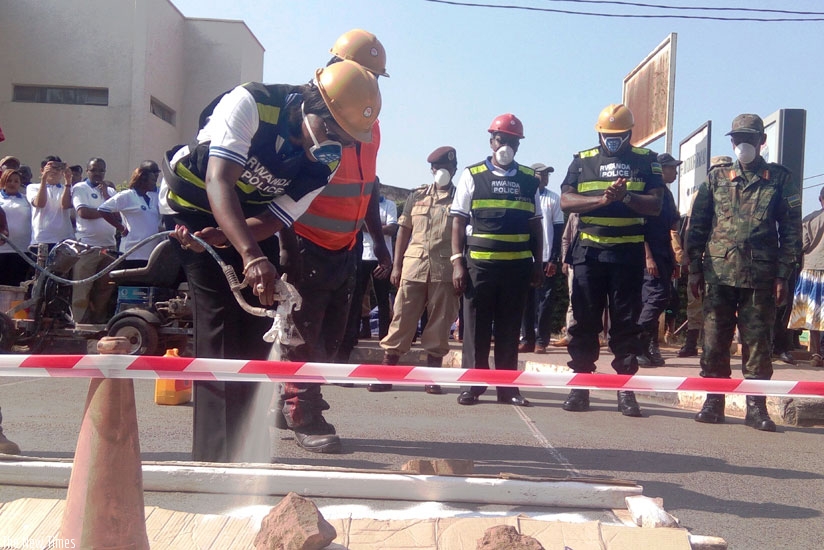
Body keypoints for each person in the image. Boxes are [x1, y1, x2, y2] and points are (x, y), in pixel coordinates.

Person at [160, 60, 381, 461]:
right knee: (222, 329)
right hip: (194, 207)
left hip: (244, 222)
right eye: (333, 131)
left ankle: (241, 450)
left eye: (347, 140)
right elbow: (219, 181)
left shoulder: (326, 159)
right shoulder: (252, 103)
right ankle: (214, 459)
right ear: (314, 104)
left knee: (252, 335)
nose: (337, 145)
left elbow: (276, 216)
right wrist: (248, 254)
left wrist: (244, 244)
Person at [273, 29, 391, 448]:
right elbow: (281, 184)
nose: (371, 83)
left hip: (346, 244)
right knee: (303, 331)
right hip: (308, 240)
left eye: (376, 77)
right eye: (366, 73)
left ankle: (287, 401)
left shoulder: (368, 124)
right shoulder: (307, 118)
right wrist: (287, 246)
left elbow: (369, 185)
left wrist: (377, 240)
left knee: (331, 335)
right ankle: (303, 412)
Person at [688, 113, 802, 432]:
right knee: (713, 339)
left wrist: (783, 274)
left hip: (760, 277)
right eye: (738, 139)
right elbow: (697, 225)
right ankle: (714, 400)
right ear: (732, 141)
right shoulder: (716, 178)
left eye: (750, 139)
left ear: (761, 141)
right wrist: (694, 270)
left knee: (757, 342)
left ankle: (755, 407)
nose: (743, 145)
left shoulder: (779, 179)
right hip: (718, 273)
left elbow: (792, 230)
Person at [559, 104, 663, 417]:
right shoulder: (583, 160)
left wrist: (627, 197)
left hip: (627, 256)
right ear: (599, 133)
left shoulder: (646, 161)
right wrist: (602, 200)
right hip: (590, 255)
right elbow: (566, 200)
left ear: (630, 134)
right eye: (607, 135)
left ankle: (626, 390)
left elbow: (656, 205)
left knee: (626, 325)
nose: (612, 140)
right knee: (584, 322)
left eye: (618, 135)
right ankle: (580, 387)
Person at [451, 113, 543, 407]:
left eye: (513, 142)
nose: (507, 146)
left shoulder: (529, 179)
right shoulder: (473, 174)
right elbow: (458, 221)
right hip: (479, 267)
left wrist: (538, 263)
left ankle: (508, 389)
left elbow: (535, 224)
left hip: (516, 268)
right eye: (502, 139)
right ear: (492, 141)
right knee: (475, 328)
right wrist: (457, 262)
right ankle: (473, 386)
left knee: (508, 327)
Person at [379, 146, 461, 394]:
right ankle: (386, 373)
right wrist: (396, 265)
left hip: (444, 269)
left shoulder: (461, 197)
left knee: (439, 323)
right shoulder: (416, 196)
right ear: (432, 170)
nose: (441, 172)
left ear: (454, 169)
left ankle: (431, 376)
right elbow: (403, 230)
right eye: (437, 168)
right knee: (401, 317)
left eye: (447, 168)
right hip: (414, 266)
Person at [636, 153, 682, 367]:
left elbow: (672, 228)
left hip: (664, 253)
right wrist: (648, 257)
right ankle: (636, 340)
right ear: (661, 169)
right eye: (672, 167)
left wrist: (674, 260)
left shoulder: (667, 194)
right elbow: (640, 228)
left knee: (661, 299)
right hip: (650, 254)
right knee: (656, 297)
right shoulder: (649, 193)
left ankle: (648, 346)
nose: (676, 171)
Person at [519, 163, 563, 354]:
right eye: (541, 174)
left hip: (546, 258)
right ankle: (526, 338)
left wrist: (554, 258)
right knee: (525, 301)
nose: (544, 178)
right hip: (525, 258)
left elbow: (559, 229)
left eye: (546, 175)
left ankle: (541, 340)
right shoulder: (523, 196)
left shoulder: (553, 199)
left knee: (544, 302)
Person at [71, 158, 118, 323]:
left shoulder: (111, 192)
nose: (97, 173)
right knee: (82, 287)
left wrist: (105, 195)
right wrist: (106, 211)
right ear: (87, 171)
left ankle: (98, 322)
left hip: (109, 247)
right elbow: (83, 212)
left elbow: (119, 216)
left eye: (101, 170)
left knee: (105, 287)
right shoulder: (80, 188)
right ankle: (80, 323)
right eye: (94, 170)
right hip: (87, 246)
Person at [98, 161, 162, 269]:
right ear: (143, 179)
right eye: (152, 180)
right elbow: (103, 209)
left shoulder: (153, 197)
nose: (155, 183)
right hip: (133, 252)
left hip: (152, 252)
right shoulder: (127, 196)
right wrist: (121, 228)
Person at [789, 188, 824, 368]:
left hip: (812, 270)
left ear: (820, 199)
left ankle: (816, 354)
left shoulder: (810, 219)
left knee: (814, 316)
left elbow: (803, 244)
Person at [358, 186, 397, 342]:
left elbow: (392, 228)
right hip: (362, 256)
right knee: (358, 297)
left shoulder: (389, 204)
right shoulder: (360, 202)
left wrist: (369, 226)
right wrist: (379, 226)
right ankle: (359, 331)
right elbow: (357, 225)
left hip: (382, 257)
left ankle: (384, 334)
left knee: (382, 298)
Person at [26, 156, 74, 250]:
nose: (55, 171)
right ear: (42, 170)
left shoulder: (68, 188)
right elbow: (40, 203)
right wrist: (44, 179)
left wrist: (68, 181)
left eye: (58, 168)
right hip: (41, 239)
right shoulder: (33, 187)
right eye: (51, 168)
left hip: (64, 240)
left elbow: (65, 205)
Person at [0, 168, 32, 286]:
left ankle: (15, 305)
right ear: (3, 181)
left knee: (17, 285)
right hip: (2, 250)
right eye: (9, 180)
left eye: (16, 181)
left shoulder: (26, 200)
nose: (12, 184)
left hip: (22, 250)